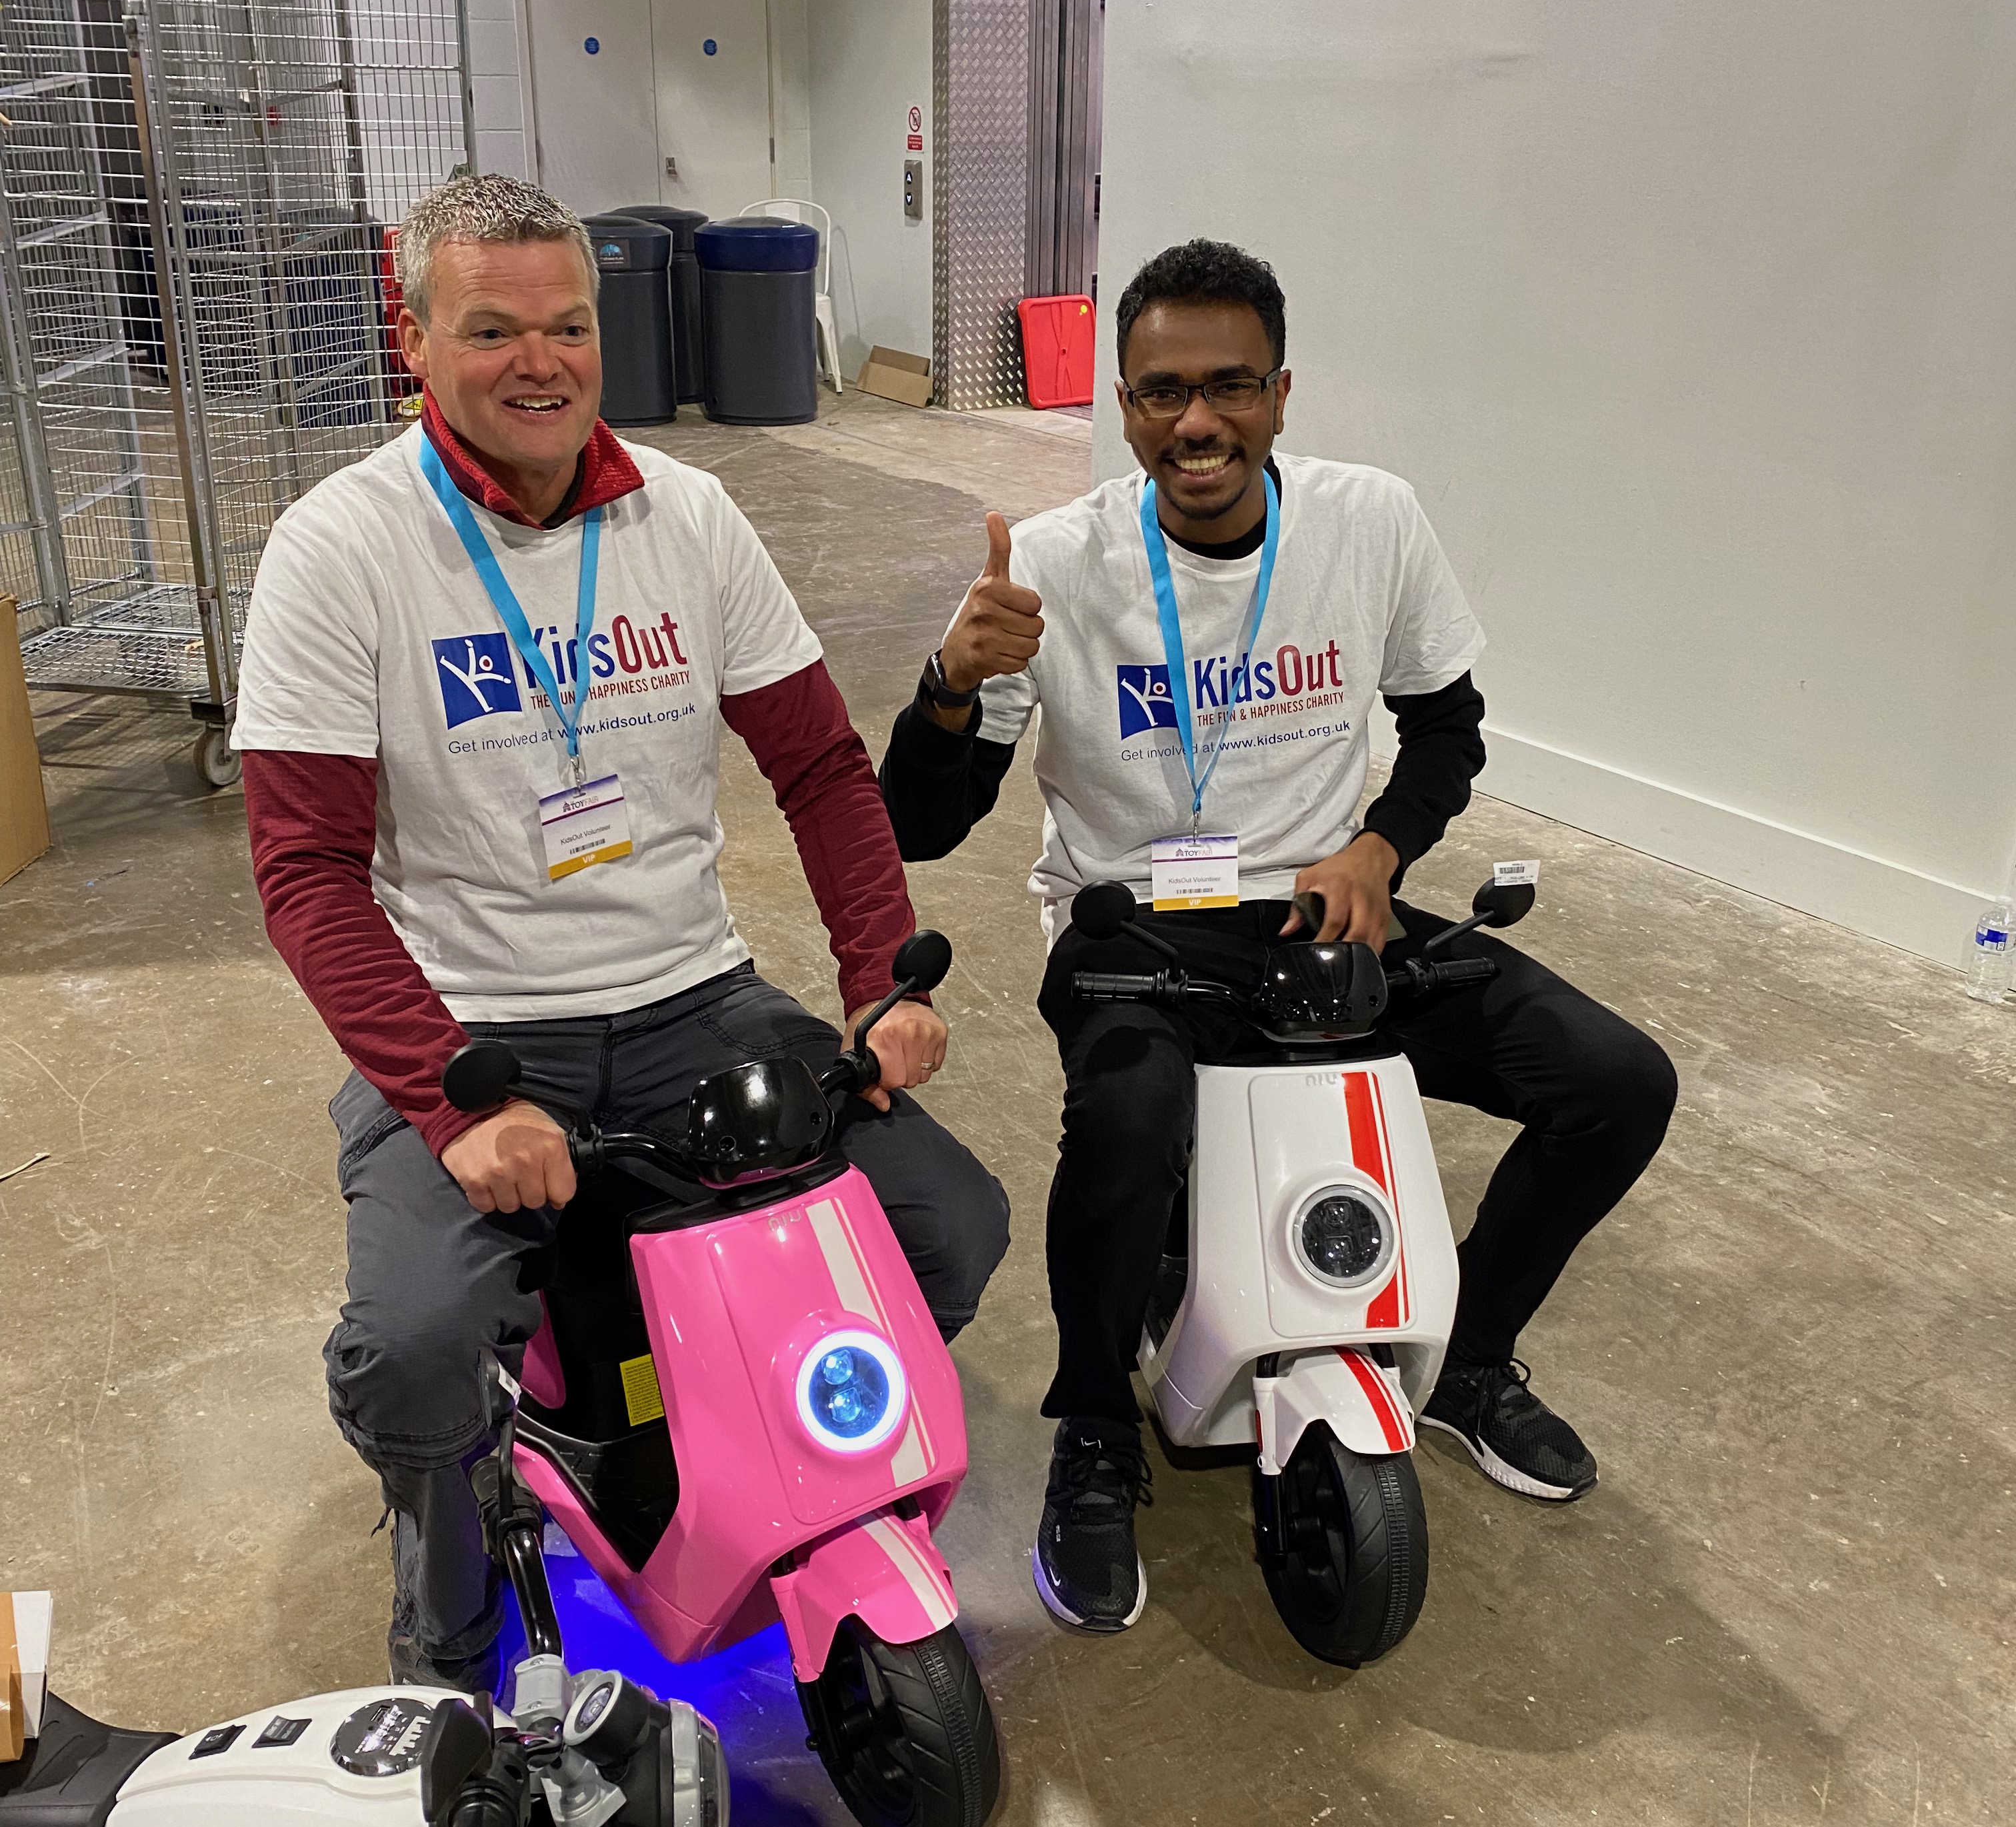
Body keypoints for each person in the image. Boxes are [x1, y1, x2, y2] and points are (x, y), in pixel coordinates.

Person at [235, 174, 1009, 1688]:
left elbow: (821, 767)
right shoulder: (340, 551)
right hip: (469, 1034)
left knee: (945, 1227)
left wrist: (877, 985)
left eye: (569, 325)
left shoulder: (689, 515)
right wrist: (453, 1097)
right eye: (493, 329)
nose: (541, 361)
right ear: (414, 339)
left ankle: (721, 1463)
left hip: (693, 997)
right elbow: (306, 874)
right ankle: (449, 1630)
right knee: (415, 1355)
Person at [879, 238, 1675, 1634]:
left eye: (1231, 387)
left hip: (1325, 910)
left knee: (1615, 1082)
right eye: (1162, 393)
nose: (1198, 423)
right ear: (1121, 408)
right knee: (1129, 1114)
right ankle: (1090, 1425)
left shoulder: (1370, 523)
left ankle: (1471, 1359)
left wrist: (1379, 848)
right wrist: (954, 683)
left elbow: (1448, 726)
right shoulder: (1056, 567)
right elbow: (925, 824)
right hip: (1134, 925)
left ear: (1281, 394)